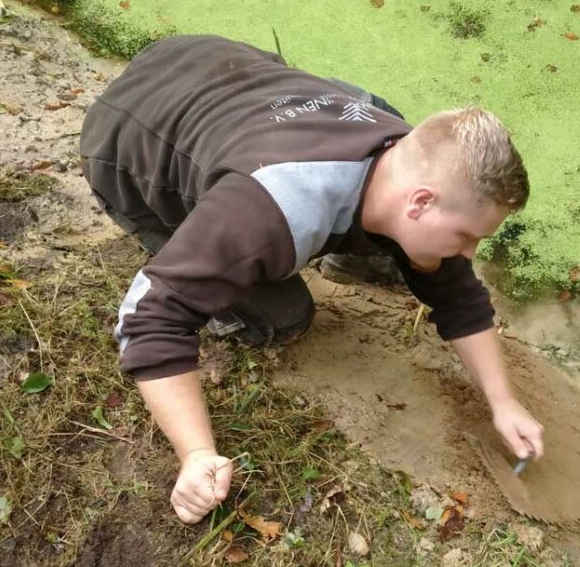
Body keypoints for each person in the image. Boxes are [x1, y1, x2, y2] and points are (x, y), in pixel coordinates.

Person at [79, 35, 544, 525]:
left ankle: (358, 244)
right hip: (126, 136)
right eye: (468, 237)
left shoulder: (404, 151)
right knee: (284, 316)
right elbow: (150, 315)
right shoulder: (268, 211)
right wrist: (196, 454)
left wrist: (503, 402)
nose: (470, 253)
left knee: (413, 254)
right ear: (421, 202)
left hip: (204, 59)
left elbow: (457, 295)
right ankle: (191, 228)